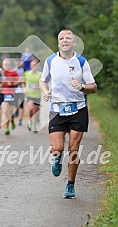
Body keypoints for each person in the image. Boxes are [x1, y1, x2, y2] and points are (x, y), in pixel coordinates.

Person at [39, 29, 97, 198]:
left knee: (73, 149)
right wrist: (45, 91)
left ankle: (70, 185)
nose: (64, 40)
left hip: (78, 109)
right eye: (61, 38)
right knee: (57, 148)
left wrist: (82, 87)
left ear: (73, 43)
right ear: (58, 43)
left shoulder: (81, 61)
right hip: (57, 109)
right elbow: (43, 80)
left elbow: (93, 87)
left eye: (68, 38)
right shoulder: (51, 61)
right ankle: (56, 158)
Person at [1, 58, 19, 135]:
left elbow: (20, 80)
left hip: (11, 94)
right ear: (2, 65)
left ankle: (12, 121)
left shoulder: (13, 72)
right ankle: (6, 128)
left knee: (10, 112)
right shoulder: (0, 73)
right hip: (3, 94)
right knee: (5, 111)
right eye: (5, 64)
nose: (6, 66)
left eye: (7, 64)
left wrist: (13, 84)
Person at [24, 57, 42, 133]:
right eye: (32, 65)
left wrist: (38, 87)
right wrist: (24, 88)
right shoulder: (26, 74)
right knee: (31, 108)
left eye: (35, 65)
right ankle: (30, 122)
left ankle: (35, 123)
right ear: (30, 66)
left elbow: (43, 84)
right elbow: (23, 82)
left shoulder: (40, 74)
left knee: (36, 110)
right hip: (29, 94)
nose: (33, 66)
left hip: (37, 95)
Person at [14, 58, 25, 126]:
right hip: (14, 90)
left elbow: (25, 79)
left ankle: (20, 119)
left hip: (21, 89)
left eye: (20, 62)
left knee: (21, 105)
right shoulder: (13, 70)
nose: (19, 63)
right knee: (15, 104)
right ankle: (16, 112)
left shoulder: (24, 70)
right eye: (17, 62)